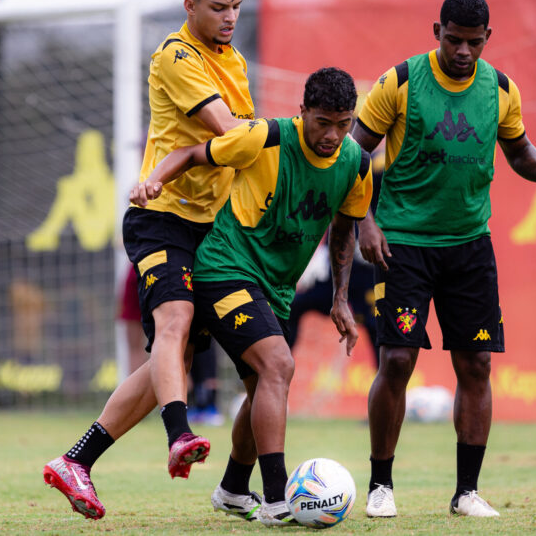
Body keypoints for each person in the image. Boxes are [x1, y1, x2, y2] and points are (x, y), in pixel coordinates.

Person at [351, 0, 536, 519]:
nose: (463, 52)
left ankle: (466, 492)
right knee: (398, 359)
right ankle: (381, 485)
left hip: (470, 246)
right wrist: (365, 218)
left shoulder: (500, 89)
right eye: (454, 40)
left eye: (473, 43)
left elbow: (518, 150)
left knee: (476, 363)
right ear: (437, 32)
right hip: (403, 244)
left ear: (487, 39)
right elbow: (354, 152)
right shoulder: (400, 82)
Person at [43, 0, 253, 520]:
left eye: (236, 6)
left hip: (211, 226)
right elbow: (229, 133)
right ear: (190, 6)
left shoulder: (232, 60)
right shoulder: (176, 55)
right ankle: (180, 434)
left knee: (176, 355)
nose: (230, 17)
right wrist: (278, 135)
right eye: (218, 8)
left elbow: (237, 153)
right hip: (162, 218)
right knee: (175, 324)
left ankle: (76, 461)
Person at [131, 67, 373, 526]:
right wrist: (153, 181)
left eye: (344, 124)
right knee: (279, 365)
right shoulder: (263, 138)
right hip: (223, 270)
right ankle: (278, 499)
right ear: (303, 112)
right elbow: (191, 151)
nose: (333, 134)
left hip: (275, 289)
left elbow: (344, 230)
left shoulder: (356, 164)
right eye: (323, 122)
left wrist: (340, 297)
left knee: (265, 387)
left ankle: (233, 488)